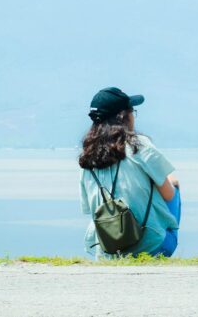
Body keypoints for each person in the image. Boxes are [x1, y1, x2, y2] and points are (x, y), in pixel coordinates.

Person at [78, 87, 181, 259]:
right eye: (132, 111)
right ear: (122, 116)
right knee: (174, 184)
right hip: (152, 246)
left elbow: (89, 208)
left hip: (107, 251)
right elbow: (169, 195)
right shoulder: (138, 145)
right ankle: (163, 240)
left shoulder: (87, 158)